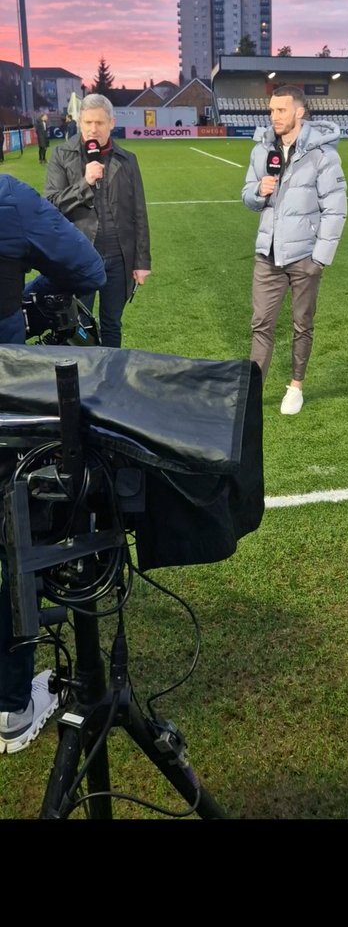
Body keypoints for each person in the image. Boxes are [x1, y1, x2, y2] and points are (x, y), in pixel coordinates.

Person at [0, 172, 106, 754]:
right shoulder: (10, 198)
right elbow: (86, 270)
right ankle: (12, 704)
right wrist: (27, 294)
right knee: (16, 541)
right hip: (6, 396)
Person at [241, 84, 347, 415]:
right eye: (271, 110)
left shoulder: (323, 155)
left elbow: (336, 208)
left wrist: (320, 259)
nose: (274, 116)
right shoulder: (261, 151)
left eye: (281, 110)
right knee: (261, 323)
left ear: (299, 112)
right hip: (268, 254)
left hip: (305, 258)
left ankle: (296, 386)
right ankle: (253, 393)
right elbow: (247, 197)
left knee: (303, 323)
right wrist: (259, 190)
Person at [44, 93, 152, 348]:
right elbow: (50, 204)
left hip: (119, 258)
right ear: (79, 122)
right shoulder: (62, 155)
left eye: (100, 123)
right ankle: (82, 379)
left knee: (112, 323)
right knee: (77, 325)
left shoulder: (128, 160)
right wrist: (85, 183)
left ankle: (110, 379)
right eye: (88, 122)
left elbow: (139, 212)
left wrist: (142, 261)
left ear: (111, 123)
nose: (93, 129)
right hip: (79, 257)